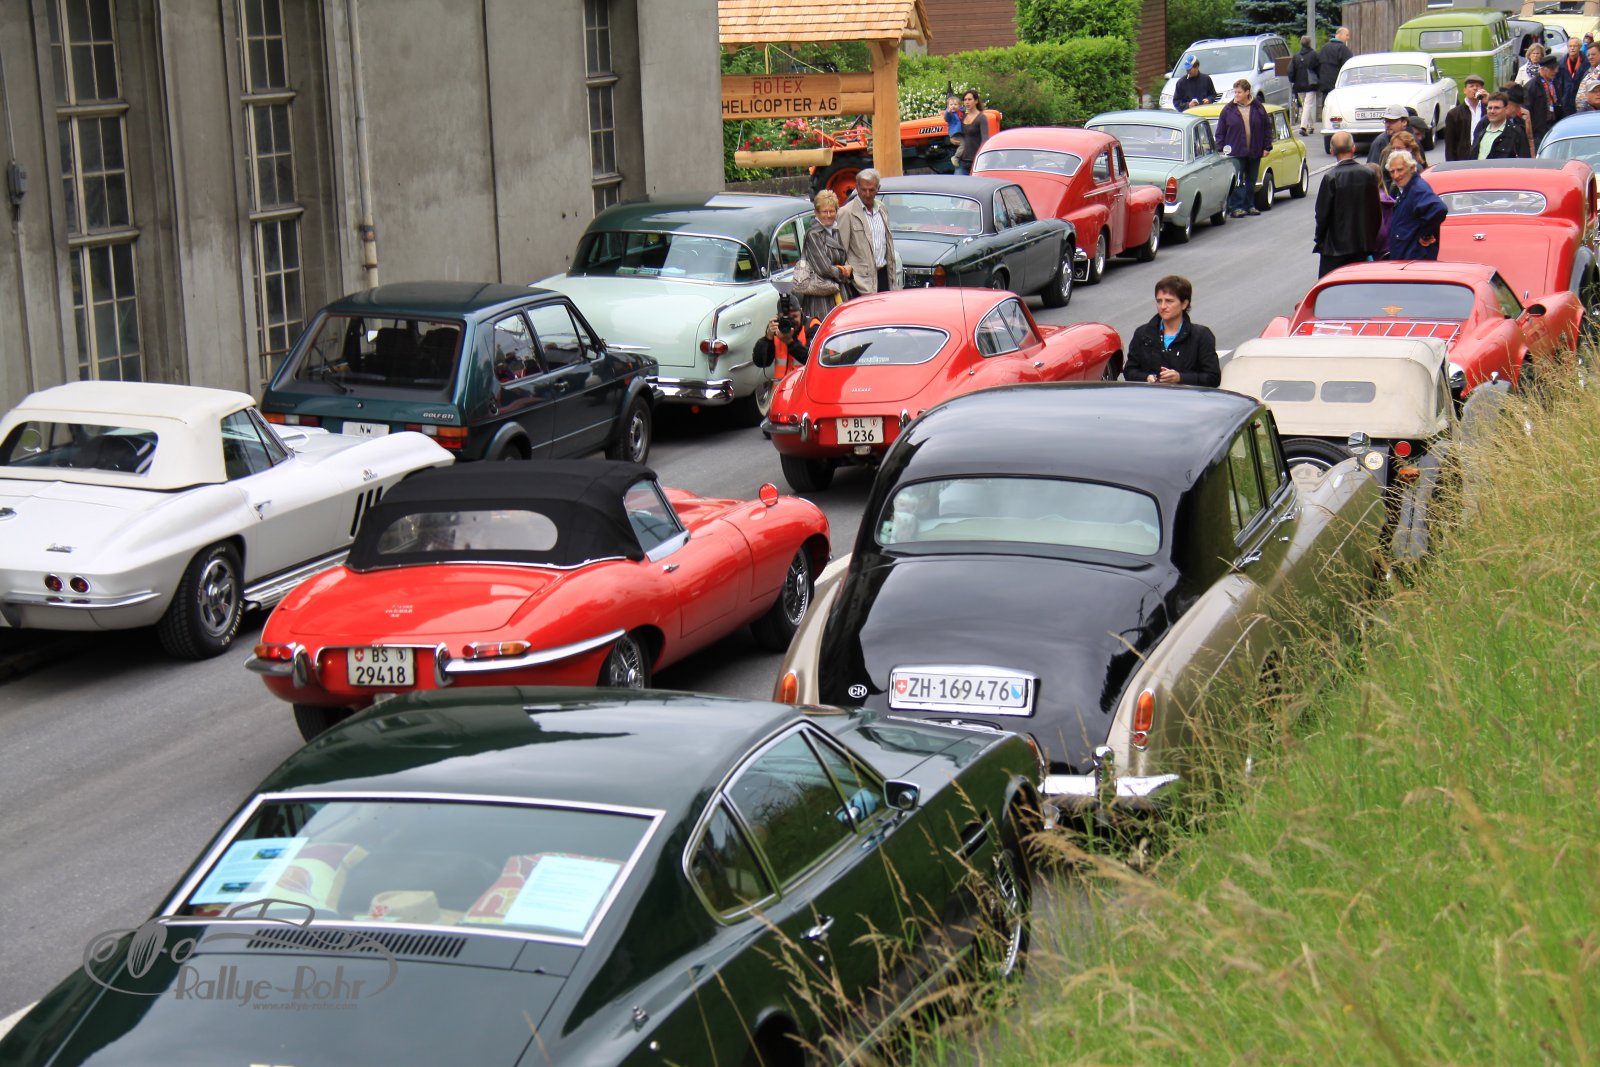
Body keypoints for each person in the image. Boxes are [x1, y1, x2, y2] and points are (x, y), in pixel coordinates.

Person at [1124, 275, 1220, 387]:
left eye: (1169, 301)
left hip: (1187, 396)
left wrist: (1180, 378)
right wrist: (1147, 377)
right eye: (1159, 301)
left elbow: (1213, 378)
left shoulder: (1201, 335)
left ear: (1184, 304)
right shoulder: (1142, 334)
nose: (1162, 306)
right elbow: (1129, 371)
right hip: (1152, 395)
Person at [1314, 132, 1381, 277]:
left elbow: (1322, 215)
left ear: (1332, 151)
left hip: (1334, 248)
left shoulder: (1330, 177)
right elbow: (1376, 212)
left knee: (1332, 284)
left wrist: (1319, 238)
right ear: (1353, 148)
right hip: (1361, 245)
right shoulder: (1368, 174)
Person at [836, 168, 900, 295]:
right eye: (863, 190)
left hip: (883, 277)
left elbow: (887, 245)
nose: (867, 194)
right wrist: (850, 275)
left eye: (871, 190)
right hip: (860, 284)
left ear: (878, 189)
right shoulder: (846, 213)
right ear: (857, 188)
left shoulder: (882, 209)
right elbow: (840, 251)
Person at [796, 189, 853, 322]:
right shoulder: (813, 234)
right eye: (824, 211)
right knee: (825, 325)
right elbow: (824, 268)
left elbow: (843, 257)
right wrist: (844, 270)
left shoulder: (836, 230)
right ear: (816, 213)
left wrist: (848, 268)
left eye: (832, 211)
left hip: (838, 291)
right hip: (821, 295)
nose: (828, 215)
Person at [1216, 80, 1269, 218]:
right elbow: (1220, 131)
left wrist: (1267, 146)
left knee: (1251, 180)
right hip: (1236, 152)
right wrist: (1221, 148)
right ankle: (1236, 207)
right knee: (1238, 181)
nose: (1236, 95)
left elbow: (1266, 128)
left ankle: (1249, 205)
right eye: (1235, 92)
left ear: (1247, 92)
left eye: (1239, 92)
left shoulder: (1258, 108)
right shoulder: (1228, 110)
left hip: (1254, 150)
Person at [1387, 152, 1447, 261]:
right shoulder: (1406, 189)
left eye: (1400, 170)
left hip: (1414, 260)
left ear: (1412, 168)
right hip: (1405, 258)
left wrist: (1425, 234)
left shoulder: (1417, 188)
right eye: (1392, 171)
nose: (1395, 175)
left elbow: (1439, 209)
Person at [751, 291, 820, 382]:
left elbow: (812, 360)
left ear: (801, 312)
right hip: (782, 387)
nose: (791, 322)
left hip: (804, 386)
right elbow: (760, 362)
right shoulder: (777, 328)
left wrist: (790, 342)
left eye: (794, 316)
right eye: (785, 318)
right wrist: (767, 339)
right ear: (778, 317)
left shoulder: (812, 326)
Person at [1473, 91, 1531, 158]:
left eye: (1497, 108)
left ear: (1506, 109)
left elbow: (1524, 160)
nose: (1492, 111)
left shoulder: (1516, 133)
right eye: (1490, 108)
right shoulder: (1481, 132)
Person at [1444, 73, 1488, 161]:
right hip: (1464, 158)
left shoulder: (1488, 110)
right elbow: (1450, 144)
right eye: (1471, 86)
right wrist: (1450, 164)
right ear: (1465, 90)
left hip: (1484, 156)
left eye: (1478, 86)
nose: (1475, 88)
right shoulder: (1454, 114)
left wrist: (1488, 102)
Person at [1527, 55, 1563, 147]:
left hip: (1553, 126)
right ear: (1542, 69)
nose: (1555, 71)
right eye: (1552, 69)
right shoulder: (1532, 86)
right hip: (1538, 130)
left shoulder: (1554, 83)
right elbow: (1526, 109)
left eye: (1556, 68)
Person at [1317, 26, 1353, 116]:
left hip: (1324, 83)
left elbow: (1317, 64)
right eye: (1347, 35)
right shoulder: (1343, 49)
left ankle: (1325, 119)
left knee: (1326, 105)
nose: (1348, 38)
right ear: (1340, 35)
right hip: (1337, 84)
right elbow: (1349, 66)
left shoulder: (1324, 48)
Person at [951, 89, 989, 175]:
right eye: (965, 100)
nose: (967, 102)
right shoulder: (962, 117)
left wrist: (981, 158)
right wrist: (952, 138)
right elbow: (955, 129)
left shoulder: (981, 118)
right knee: (957, 182)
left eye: (969, 99)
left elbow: (985, 140)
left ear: (976, 101)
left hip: (976, 161)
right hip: (962, 160)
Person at [1290, 36, 1321, 133]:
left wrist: (1293, 80)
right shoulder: (1314, 55)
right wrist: (1319, 80)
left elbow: (1291, 71)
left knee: (1305, 105)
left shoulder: (1296, 56)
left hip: (1298, 85)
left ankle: (1310, 126)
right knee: (1307, 105)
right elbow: (1318, 69)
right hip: (1311, 84)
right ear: (1309, 43)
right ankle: (1303, 127)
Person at [1555, 34, 1589, 113]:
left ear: (1580, 47)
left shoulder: (1586, 63)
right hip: (1565, 103)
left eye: (1575, 46)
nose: (1572, 48)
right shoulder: (1561, 64)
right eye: (1570, 46)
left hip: (1581, 102)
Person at [1575, 43, 1600, 110]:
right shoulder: (1588, 71)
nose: (1590, 57)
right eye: (1588, 55)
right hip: (1585, 111)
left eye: (1593, 54)